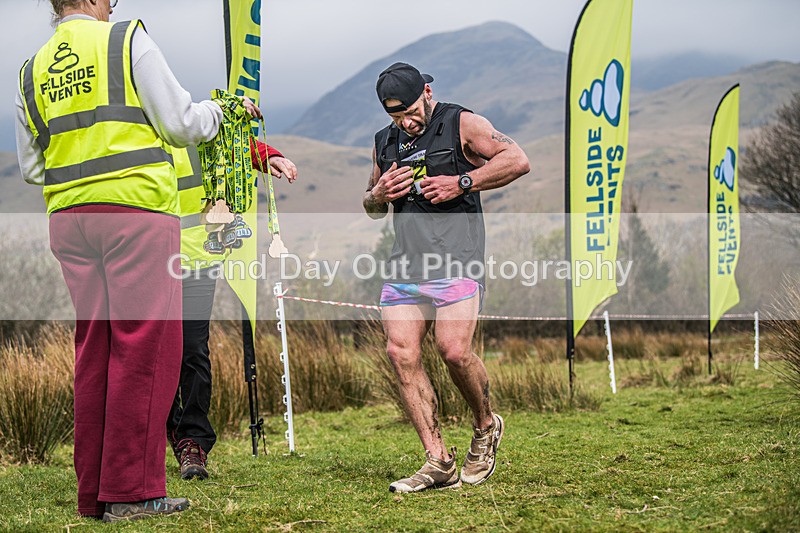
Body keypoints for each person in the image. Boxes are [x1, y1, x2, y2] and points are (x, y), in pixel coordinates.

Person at [14, 0, 260, 522]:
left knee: (95, 351)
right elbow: (180, 123)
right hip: (137, 215)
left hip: (70, 220)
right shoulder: (126, 39)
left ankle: (95, 495)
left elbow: (31, 166)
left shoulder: (31, 68)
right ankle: (134, 492)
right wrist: (220, 111)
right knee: (146, 351)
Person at [363, 62, 530, 493]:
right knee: (401, 354)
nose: (406, 122)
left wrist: (463, 181)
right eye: (396, 116)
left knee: (453, 351)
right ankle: (437, 459)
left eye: (412, 111)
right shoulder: (385, 142)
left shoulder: (461, 123)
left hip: (458, 258)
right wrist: (378, 195)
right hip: (405, 264)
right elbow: (372, 203)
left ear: (428, 92)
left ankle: (485, 424)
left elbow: (517, 159)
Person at [168, 140, 297, 480]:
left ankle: (192, 443)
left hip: (196, 260)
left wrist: (269, 156)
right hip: (145, 258)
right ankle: (159, 437)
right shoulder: (138, 127)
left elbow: (226, 135)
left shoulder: (187, 123)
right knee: (153, 354)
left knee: (193, 351)